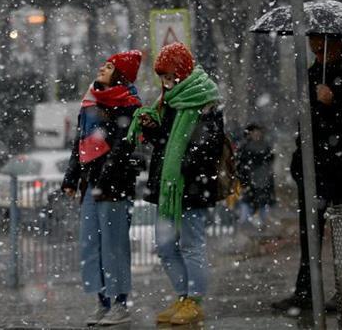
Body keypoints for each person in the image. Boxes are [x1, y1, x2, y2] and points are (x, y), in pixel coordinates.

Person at [271, 36, 342, 312]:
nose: (318, 55)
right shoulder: (313, 73)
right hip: (315, 166)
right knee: (309, 232)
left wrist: (334, 102)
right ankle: (306, 291)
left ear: (337, 44)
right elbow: (307, 120)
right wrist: (299, 161)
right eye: (313, 50)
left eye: (322, 50)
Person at [127, 42, 223, 326]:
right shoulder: (169, 101)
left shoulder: (205, 99)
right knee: (165, 245)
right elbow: (164, 143)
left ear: (183, 71)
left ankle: (195, 299)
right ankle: (183, 296)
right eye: (163, 77)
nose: (167, 83)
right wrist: (151, 128)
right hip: (169, 187)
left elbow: (209, 146)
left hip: (192, 187)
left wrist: (184, 164)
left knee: (192, 245)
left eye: (170, 76)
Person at [61, 50, 143, 326]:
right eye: (104, 64)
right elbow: (80, 143)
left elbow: (124, 145)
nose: (102, 68)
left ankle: (120, 302)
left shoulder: (128, 104)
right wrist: (72, 178)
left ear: (120, 74)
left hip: (114, 186)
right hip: (90, 184)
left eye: (109, 67)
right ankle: (102, 301)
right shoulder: (90, 101)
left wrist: (106, 173)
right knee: (90, 244)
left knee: (114, 245)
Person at [236, 123, 275, 228]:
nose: (257, 134)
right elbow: (241, 166)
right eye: (254, 132)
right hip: (251, 181)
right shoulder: (246, 147)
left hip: (262, 181)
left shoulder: (264, 146)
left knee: (261, 207)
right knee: (247, 206)